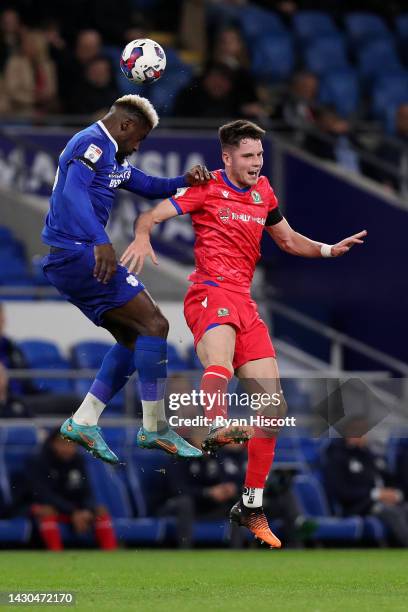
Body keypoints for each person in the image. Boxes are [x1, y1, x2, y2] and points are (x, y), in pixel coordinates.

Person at [121, 118, 367, 547]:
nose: (256, 163)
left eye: (259, 155)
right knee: (219, 362)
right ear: (227, 157)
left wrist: (329, 249)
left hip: (245, 302)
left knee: (273, 409)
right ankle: (215, 425)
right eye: (248, 156)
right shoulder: (205, 186)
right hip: (209, 291)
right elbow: (151, 213)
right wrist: (143, 236)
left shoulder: (264, 192)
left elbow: (288, 241)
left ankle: (250, 506)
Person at [41, 94, 212, 465]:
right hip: (78, 253)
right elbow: (71, 194)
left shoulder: (111, 156)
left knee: (136, 338)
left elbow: (148, 184)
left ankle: (85, 420)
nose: (137, 146)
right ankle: (154, 427)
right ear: (125, 125)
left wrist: (185, 181)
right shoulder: (91, 143)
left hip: (72, 258)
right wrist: (101, 240)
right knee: (155, 324)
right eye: (139, 138)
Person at [27, 429, 117, 551]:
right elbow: (44, 495)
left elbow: (86, 491)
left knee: (101, 512)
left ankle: (111, 555)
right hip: (46, 507)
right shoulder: (38, 461)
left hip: (72, 509)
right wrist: (73, 511)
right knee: (46, 511)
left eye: (72, 444)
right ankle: (56, 558)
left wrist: (86, 509)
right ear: (53, 443)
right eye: (63, 443)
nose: (68, 448)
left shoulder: (78, 461)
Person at [324, 426, 408, 547]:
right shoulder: (336, 456)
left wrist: (396, 494)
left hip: (384, 502)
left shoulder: (369, 455)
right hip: (359, 506)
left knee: (405, 508)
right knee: (392, 512)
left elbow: (390, 479)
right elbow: (342, 491)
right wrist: (375, 494)